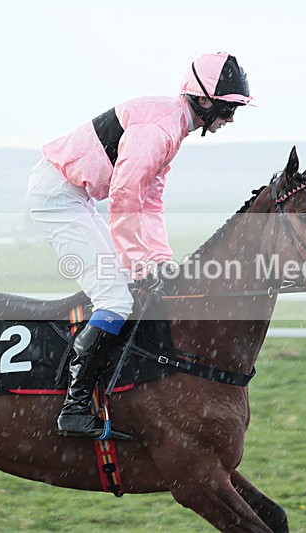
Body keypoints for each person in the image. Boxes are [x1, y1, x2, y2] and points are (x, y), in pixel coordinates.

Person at [26, 52, 253, 439]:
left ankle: (103, 390)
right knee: (115, 298)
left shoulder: (173, 128)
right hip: (58, 196)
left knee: (126, 291)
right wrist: (140, 264)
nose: (230, 117)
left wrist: (161, 261)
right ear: (202, 99)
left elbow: (151, 200)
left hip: (74, 196)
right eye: (228, 107)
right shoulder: (160, 127)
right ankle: (75, 407)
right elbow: (126, 195)